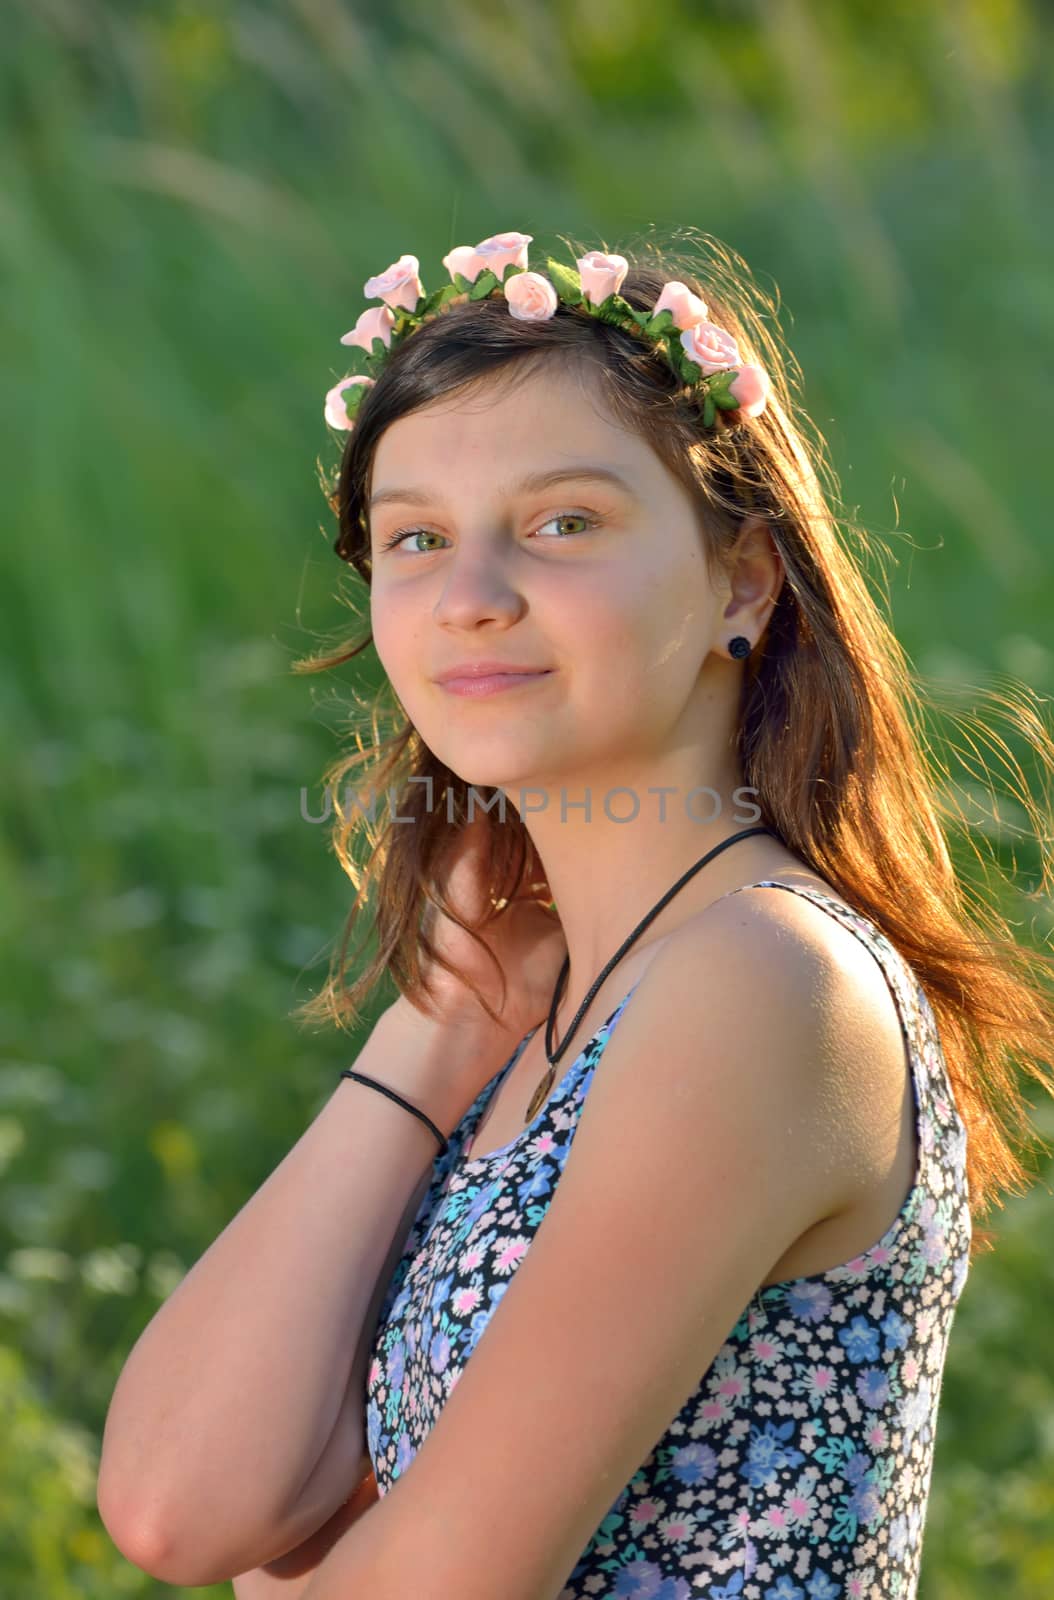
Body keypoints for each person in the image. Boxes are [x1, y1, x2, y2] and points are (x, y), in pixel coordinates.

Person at [97, 230, 1054, 1599]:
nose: (472, 599)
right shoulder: (553, 1004)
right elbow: (176, 1509)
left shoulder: (760, 982)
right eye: (414, 539)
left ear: (741, 579)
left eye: (562, 524)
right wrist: (438, 1019)